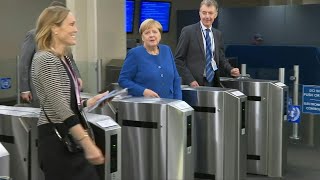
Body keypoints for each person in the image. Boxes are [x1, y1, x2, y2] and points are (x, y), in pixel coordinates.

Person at [31, 6, 106, 180]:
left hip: (71, 139)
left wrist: (89, 102)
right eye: (71, 24)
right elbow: (60, 108)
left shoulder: (64, 58)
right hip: (58, 141)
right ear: (54, 28)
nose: (76, 29)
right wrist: (87, 144)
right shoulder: (45, 59)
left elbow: (67, 101)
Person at [19, 1, 83, 107]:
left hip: (64, 88)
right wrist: (24, 89)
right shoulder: (34, 36)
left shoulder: (64, 38)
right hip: (42, 89)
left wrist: (77, 76)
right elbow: (24, 63)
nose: (75, 29)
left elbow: (70, 60)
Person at [175, 0, 240, 87]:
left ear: (215, 14)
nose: (207, 16)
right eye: (204, 13)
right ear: (199, 13)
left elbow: (221, 58)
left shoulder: (218, 34)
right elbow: (178, 60)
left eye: (210, 13)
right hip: (194, 83)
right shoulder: (188, 32)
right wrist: (190, 80)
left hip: (213, 81)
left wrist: (230, 69)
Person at [118, 19, 182, 99]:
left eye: (155, 32)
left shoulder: (167, 50)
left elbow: (176, 78)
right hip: (145, 105)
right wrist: (143, 91)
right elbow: (123, 80)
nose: (151, 35)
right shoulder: (135, 54)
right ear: (142, 37)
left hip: (169, 103)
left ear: (160, 35)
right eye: (147, 33)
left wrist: (178, 101)